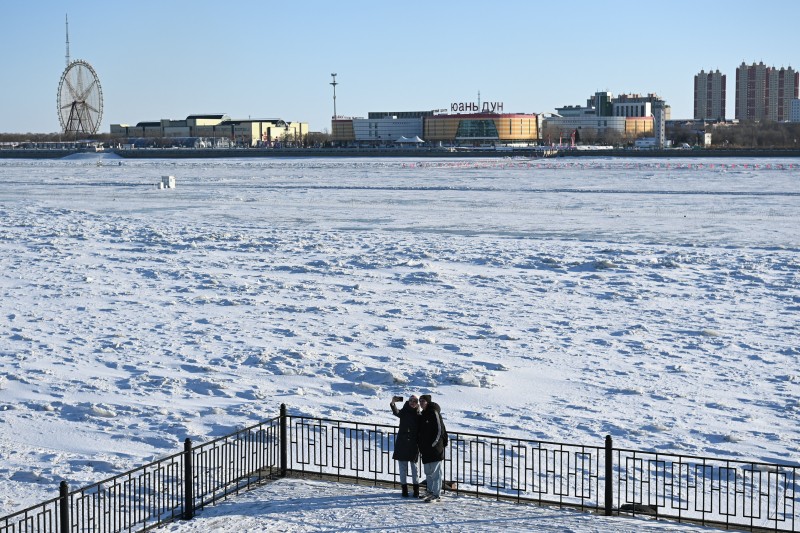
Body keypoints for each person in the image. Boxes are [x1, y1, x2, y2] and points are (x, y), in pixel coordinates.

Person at [417, 394, 447, 503]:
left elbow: (439, 429)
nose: (421, 403)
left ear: (428, 402)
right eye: (420, 401)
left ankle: (436, 494)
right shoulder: (423, 414)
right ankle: (429, 491)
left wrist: (434, 444)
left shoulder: (433, 412)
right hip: (426, 449)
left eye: (423, 401)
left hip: (435, 448)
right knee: (428, 471)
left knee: (436, 472)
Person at [390, 395, 421, 498]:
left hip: (414, 444)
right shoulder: (404, 410)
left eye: (415, 401)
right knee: (402, 468)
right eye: (411, 400)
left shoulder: (419, 414)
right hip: (402, 443)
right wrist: (393, 403)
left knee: (414, 468)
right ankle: (404, 490)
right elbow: (396, 412)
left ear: (418, 403)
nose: (412, 402)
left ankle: (416, 490)